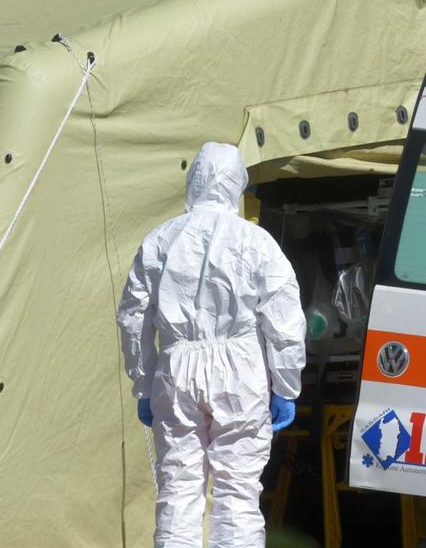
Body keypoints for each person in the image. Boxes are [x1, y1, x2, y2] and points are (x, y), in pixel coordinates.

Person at [117, 142, 306, 548]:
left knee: (178, 488)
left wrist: (143, 383)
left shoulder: (159, 240)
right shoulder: (258, 243)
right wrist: (286, 386)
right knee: (237, 491)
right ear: (237, 185)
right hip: (241, 370)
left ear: (194, 181)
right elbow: (285, 321)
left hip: (176, 368)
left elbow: (133, 318)